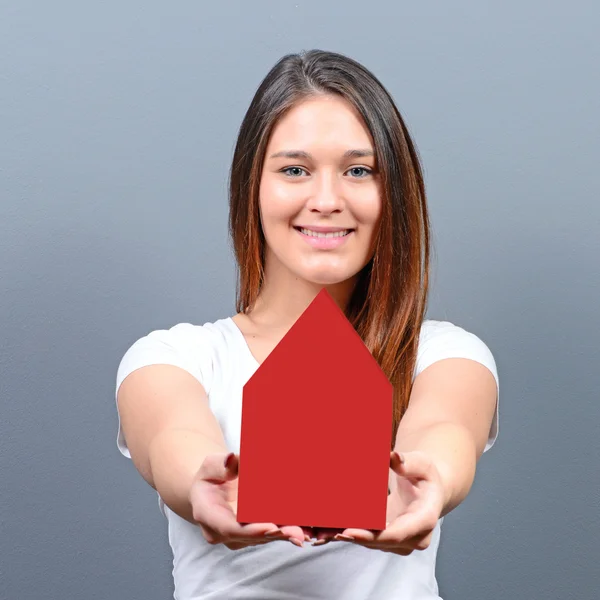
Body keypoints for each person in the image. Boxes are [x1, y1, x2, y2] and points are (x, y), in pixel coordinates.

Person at [114, 49, 499, 600]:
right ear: (253, 186)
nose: (326, 200)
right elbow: (175, 438)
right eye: (294, 170)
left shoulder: (443, 354)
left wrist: (431, 480)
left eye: (358, 170)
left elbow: (445, 431)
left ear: (395, 192)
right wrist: (202, 483)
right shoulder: (175, 358)